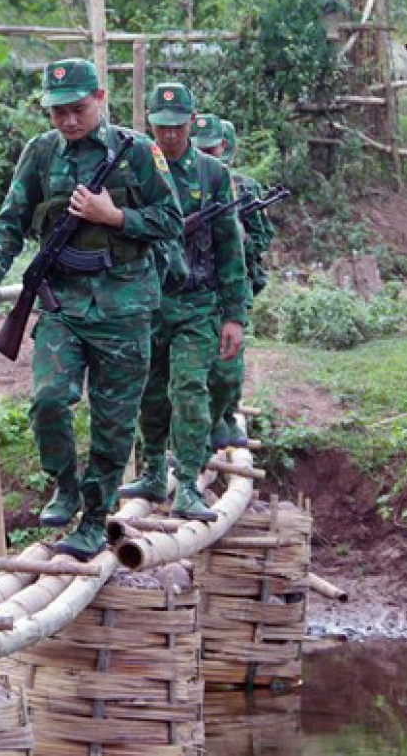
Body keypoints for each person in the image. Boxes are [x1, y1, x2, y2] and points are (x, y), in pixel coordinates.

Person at [0, 58, 182, 561]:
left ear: (100, 97)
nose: (68, 121)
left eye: (77, 109)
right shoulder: (41, 153)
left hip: (125, 308)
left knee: (114, 423)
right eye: (58, 112)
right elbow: (9, 223)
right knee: (49, 399)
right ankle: (64, 486)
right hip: (62, 305)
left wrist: (113, 216)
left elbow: (170, 220)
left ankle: (95, 520)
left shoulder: (136, 151)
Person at [121, 86, 250, 521]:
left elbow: (231, 249)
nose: (170, 135)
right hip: (147, 300)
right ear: (149, 122)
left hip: (197, 302)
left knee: (190, 390)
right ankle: (155, 470)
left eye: (177, 126)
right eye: (161, 126)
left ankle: (189, 482)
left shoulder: (213, 174)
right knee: (150, 392)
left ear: (191, 122)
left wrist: (234, 315)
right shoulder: (133, 167)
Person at [203, 117, 275, 449]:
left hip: (232, 282)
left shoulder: (244, 189)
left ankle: (226, 413)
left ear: (225, 147)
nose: (206, 153)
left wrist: (237, 238)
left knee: (229, 359)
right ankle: (204, 423)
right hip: (193, 283)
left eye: (212, 147)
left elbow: (261, 240)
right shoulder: (177, 180)